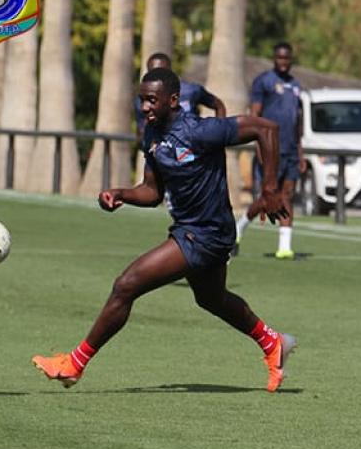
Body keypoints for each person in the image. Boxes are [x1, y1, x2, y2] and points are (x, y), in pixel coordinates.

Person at [32, 68, 296, 392]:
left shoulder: (200, 131)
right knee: (210, 299)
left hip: (205, 234)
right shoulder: (152, 136)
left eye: (151, 100)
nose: (144, 107)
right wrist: (121, 194)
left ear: (173, 100)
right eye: (142, 100)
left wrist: (270, 189)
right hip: (192, 231)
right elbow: (152, 191)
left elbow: (265, 128)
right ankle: (273, 343)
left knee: (126, 285)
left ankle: (74, 364)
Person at [235, 42, 306, 260]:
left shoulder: (296, 85)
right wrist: (260, 145)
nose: (283, 62)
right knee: (268, 198)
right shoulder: (263, 82)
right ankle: (238, 230)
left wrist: (300, 152)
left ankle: (284, 246)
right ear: (274, 59)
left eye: (287, 58)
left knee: (287, 195)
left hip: (291, 149)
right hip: (270, 148)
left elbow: (298, 121)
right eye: (280, 58)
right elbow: (255, 115)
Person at [133, 52, 226, 144]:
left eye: (162, 72)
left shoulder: (191, 91)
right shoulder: (142, 102)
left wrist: (217, 137)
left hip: (194, 151)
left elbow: (219, 106)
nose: (158, 76)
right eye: (154, 73)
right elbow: (141, 134)